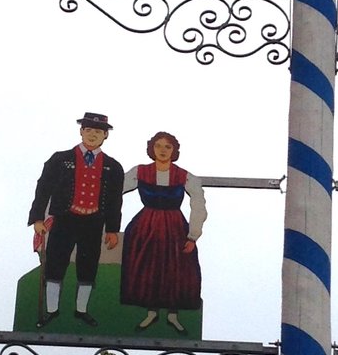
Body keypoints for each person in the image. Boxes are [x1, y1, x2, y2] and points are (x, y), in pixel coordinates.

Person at [29, 112, 124, 326]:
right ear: (81, 131)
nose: (92, 135)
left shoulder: (113, 167)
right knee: (55, 262)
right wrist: (37, 218)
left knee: (88, 265)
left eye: (98, 131)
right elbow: (43, 189)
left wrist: (112, 229)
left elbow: (114, 201)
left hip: (93, 222)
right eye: (88, 130)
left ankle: (81, 310)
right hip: (65, 218)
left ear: (105, 136)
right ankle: (52, 310)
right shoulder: (60, 159)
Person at [119, 131, 206, 333]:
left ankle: (173, 315)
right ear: (152, 148)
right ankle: (151, 312)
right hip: (145, 226)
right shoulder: (140, 172)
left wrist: (193, 234)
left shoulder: (184, 176)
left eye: (168, 147)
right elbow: (115, 190)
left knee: (176, 268)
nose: (163, 150)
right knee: (149, 266)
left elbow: (198, 202)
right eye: (159, 146)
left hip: (175, 226)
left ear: (174, 150)